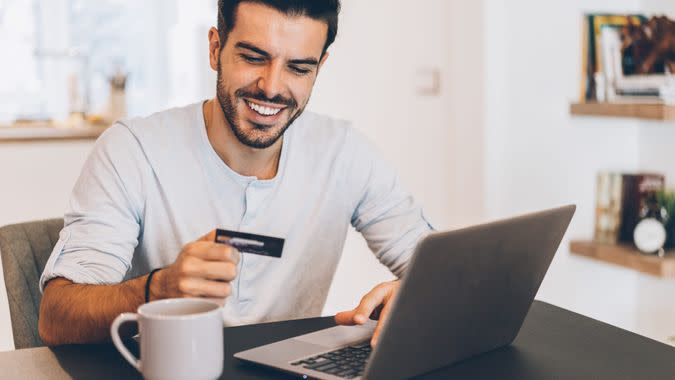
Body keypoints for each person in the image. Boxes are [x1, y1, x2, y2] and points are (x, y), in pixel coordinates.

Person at [38, 0, 432, 348]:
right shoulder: (133, 149)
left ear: (319, 67)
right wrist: (155, 289)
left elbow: (439, 268)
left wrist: (412, 293)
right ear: (215, 48)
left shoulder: (345, 153)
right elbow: (55, 317)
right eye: (254, 57)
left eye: (298, 67)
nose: (272, 87)